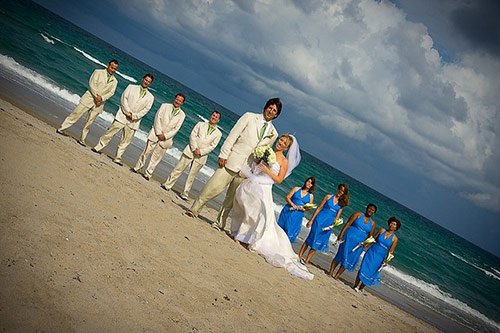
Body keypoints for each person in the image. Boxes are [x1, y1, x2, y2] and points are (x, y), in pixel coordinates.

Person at [185, 98, 281, 231]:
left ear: (276, 115)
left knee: (231, 199)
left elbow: (265, 152)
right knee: (213, 186)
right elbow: (233, 135)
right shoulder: (249, 116)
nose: (271, 111)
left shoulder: (273, 133)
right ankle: (194, 209)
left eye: (274, 110)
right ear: (265, 107)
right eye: (270, 107)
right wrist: (224, 154)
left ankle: (219, 222)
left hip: (247, 169)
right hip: (233, 159)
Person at [231, 134, 313, 280]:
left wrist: (267, 170)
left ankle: (243, 237)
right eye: (280, 140)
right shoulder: (268, 151)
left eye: (284, 142)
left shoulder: (284, 161)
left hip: (265, 188)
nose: (280, 143)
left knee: (260, 216)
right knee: (246, 206)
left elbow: (279, 180)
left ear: (287, 147)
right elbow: (258, 168)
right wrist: (258, 163)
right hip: (255, 182)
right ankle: (241, 232)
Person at [92, 74, 154, 165]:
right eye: (146, 80)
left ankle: (117, 158)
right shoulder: (131, 87)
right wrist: (127, 112)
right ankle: (98, 147)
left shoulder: (150, 97)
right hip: (122, 116)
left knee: (125, 141)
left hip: (134, 121)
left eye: (149, 81)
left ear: (150, 84)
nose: (146, 82)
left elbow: (146, 110)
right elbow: (123, 98)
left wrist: (133, 116)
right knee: (110, 132)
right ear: (142, 79)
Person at [161, 111, 222, 199]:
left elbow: (212, 146)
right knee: (178, 168)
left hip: (201, 156)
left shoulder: (218, 133)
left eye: (216, 117)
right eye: (213, 115)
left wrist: (201, 152)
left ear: (218, 120)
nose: (214, 118)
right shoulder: (200, 124)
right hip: (190, 150)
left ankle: (185, 193)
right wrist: (194, 148)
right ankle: (167, 185)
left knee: (191, 176)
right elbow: (192, 135)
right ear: (210, 116)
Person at [57, 59, 119, 145]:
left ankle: (82, 139)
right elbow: (91, 84)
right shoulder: (98, 72)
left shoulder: (115, 81)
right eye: (112, 67)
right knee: (75, 114)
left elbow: (111, 93)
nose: (113, 70)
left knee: (89, 122)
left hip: (99, 104)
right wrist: (96, 96)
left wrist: (101, 98)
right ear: (108, 65)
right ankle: (61, 128)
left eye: (115, 69)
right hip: (89, 98)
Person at [132, 93, 186, 180]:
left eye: (180, 101)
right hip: (156, 133)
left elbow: (176, 129)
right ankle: (137, 167)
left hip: (166, 138)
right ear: (174, 98)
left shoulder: (182, 115)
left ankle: (148, 174)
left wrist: (165, 136)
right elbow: (157, 118)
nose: (178, 101)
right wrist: (158, 132)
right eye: (177, 99)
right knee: (146, 152)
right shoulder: (164, 106)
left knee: (156, 157)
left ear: (182, 103)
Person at [298, 184, 349, 264]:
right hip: (319, 220)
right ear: (337, 189)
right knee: (310, 239)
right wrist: (311, 220)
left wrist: (336, 223)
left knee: (318, 242)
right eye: (340, 189)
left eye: (343, 191)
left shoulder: (341, 205)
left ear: (344, 193)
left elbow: (337, 217)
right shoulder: (328, 197)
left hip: (328, 226)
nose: (340, 192)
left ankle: (307, 260)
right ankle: (299, 256)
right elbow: (319, 208)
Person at [328, 203, 377, 280]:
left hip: (358, 245)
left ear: (374, 213)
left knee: (348, 259)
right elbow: (348, 224)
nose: (370, 210)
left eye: (372, 210)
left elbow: (370, 237)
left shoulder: (373, 224)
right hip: (348, 238)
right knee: (340, 255)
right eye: (369, 208)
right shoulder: (358, 214)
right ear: (366, 208)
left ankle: (337, 275)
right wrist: (341, 234)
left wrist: (365, 245)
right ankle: (330, 272)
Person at [353, 217, 400, 292]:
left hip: (380, 257)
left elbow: (391, 251)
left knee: (371, 272)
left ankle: (361, 288)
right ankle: (355, 285)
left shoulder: (394, 239)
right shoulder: (382, 230)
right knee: (363, 268)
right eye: (391, 223)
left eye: (394, 224)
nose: (392, 225)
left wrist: (386, 261)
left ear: (396, 228)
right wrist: (364, 244)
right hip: (371, 252)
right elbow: (373, 239)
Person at [277, 177, 316, 243]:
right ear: (305, 181)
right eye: (308, 181)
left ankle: (283, 246)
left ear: (312, 186)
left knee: (290, 231)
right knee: (281, 228)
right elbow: (287, 197)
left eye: (311, 183)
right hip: (288, 211)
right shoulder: (296, 188)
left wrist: (303, 208)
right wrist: (293, 205)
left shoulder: (311, 196)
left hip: (297, 215)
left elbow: (309, 208)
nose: (309, 184)